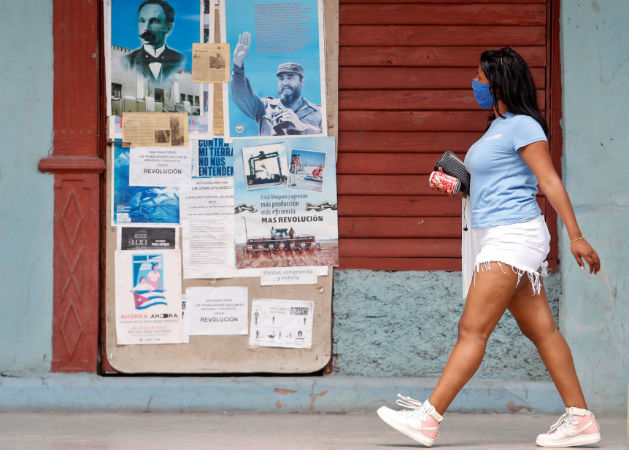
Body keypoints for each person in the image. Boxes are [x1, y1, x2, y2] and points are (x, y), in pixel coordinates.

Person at [376, 48, 602, 448]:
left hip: (514, 237)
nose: (474, 82)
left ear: (498, 82)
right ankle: (581, 419)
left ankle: (428, 419)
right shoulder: (496, 127)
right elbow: (498, 184)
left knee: (472, 329)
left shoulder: (523, 127)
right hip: (495, 236)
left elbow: (548, 182)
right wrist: (461, 185)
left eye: (479, 76)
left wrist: (576, 235)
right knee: (544, 332)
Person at [230, 31, 322, 136]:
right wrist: (238, 63)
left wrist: (301, 127)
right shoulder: (264, 107)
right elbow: (241, 95)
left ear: (302, 81)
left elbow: (327, 139)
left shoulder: (319, 112)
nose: (285, 82)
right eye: (281, 79)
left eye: (290, 78)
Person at [123, 0, 185, 86]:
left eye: (154, 21)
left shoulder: (180, 61)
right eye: (142, 21)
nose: (146, 28)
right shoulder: (127, 62)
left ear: (168, 27)